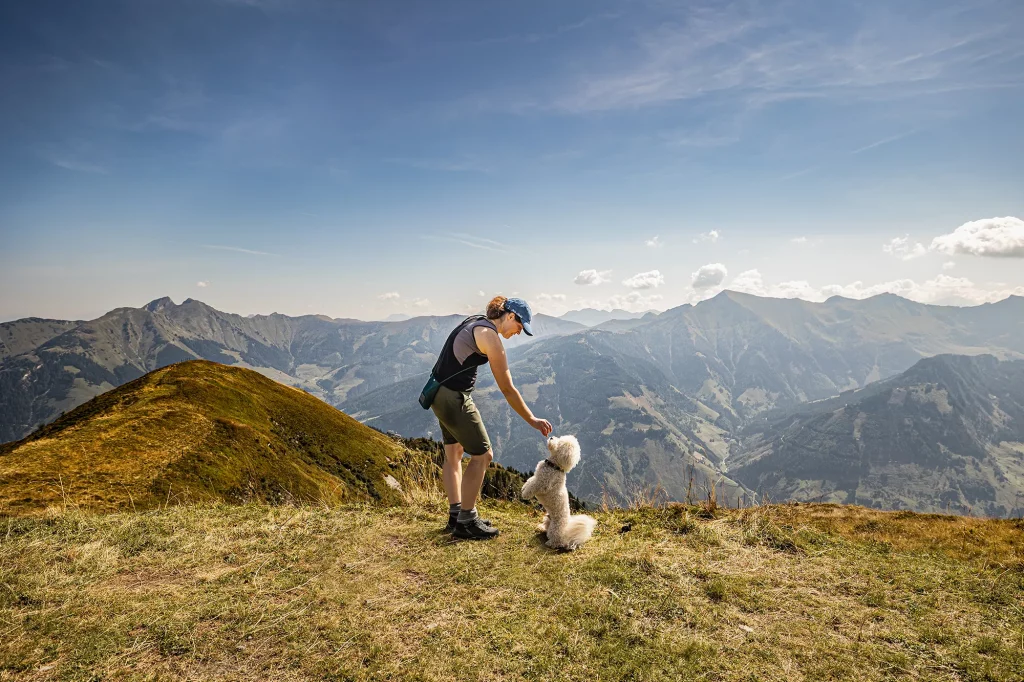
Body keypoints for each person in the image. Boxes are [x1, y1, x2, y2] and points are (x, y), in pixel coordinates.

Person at [429, 296, 553, 539]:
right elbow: (508, 389)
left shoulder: (475, 322)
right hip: (454, 397)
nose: (519, 332)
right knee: (483, 455)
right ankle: (467, 521)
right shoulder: (490, 337)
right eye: (520, 326)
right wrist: (532, 419)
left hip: (437, 393)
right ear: (510, 316)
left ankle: (456, 515)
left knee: (454, 453)